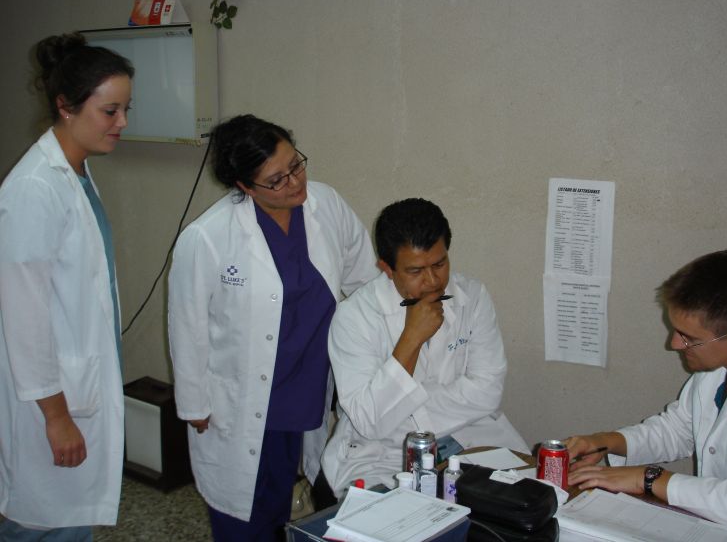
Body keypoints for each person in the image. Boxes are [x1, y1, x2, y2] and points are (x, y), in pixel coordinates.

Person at [167, 114, 378, 542]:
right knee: (242, 513)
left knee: (284, 499)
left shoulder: (326, 205)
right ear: (245, 187)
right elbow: (187, 325)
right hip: (240, 396)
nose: (295, 182)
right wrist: (194, 403)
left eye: (296, 164)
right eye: (276, 179)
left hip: (307, 381)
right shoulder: (207, 238)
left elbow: (364, 283)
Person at [0, 33, 133, 540]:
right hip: (48, 402)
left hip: (76, 385)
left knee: (68, 521)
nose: (122, 122)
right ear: (66, 106)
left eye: (125, 108)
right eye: (110, 110)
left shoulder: (74, 173)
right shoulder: (34, 187)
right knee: (40, 523)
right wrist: (56, 418)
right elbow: (24, 316)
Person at [566, 250, 727, 533]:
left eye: (689, 337)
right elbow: (677, 429)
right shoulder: (717, 365)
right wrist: (603, 441)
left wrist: (649, 478)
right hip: (721, 525)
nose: (674, 344)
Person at [318, 198, 528, 499]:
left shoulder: (473, 297)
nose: (432, 281)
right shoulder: (354, 317)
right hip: (383, 456)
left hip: (470, 439)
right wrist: (411, 339)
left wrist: (405, 410)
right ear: (387, 269)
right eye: (416, 271)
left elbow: (488, 393)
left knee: (523, 508)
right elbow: (370, 422)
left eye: (440, 264)